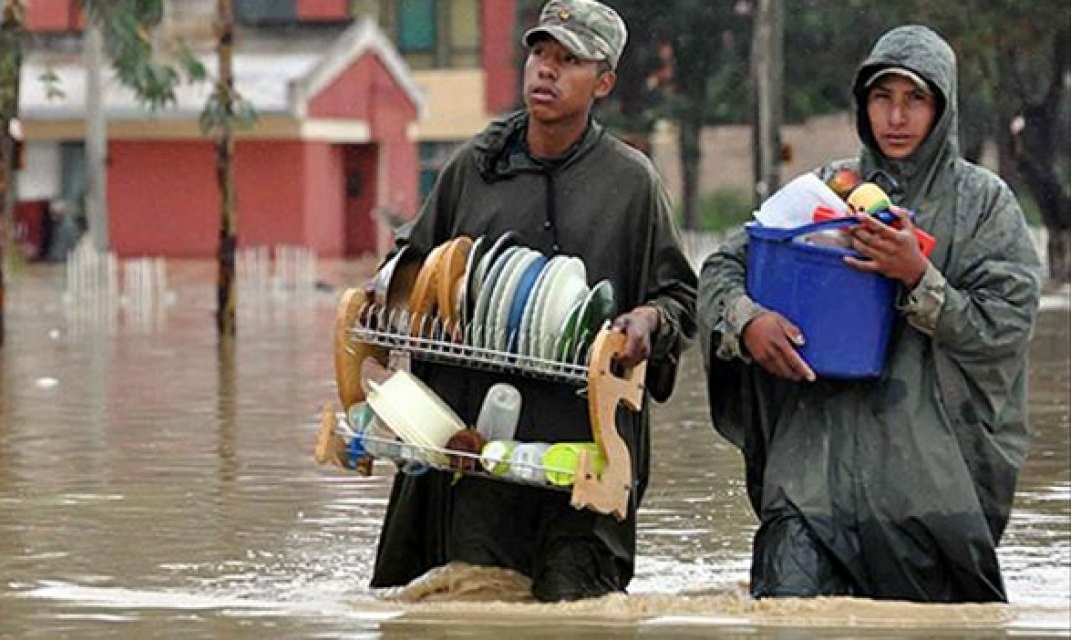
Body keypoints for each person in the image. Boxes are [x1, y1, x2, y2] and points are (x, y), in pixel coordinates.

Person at [697, 25, 1041, 602]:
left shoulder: (984, 206)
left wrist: (918, 277)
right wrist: (747, 320)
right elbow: (723, 268)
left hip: (927, 501)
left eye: (915, 99)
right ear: (863, 105)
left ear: (943, 107)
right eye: (883, 97)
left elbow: (1005, 326)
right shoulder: (829, 191)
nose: (897, 116)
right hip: (810, 488)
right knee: (785, 617)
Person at [370, 0, 697, 602]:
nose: (545, 70)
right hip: (475, 453)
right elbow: (409, 269)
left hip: (582, 454)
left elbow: (679, 298)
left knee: (574, 603)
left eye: (568, 60)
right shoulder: (475, 166)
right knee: (473, 597)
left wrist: (647, 321)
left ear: (603, 83)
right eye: (540, 54)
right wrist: (386, 293)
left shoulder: (631, 185)